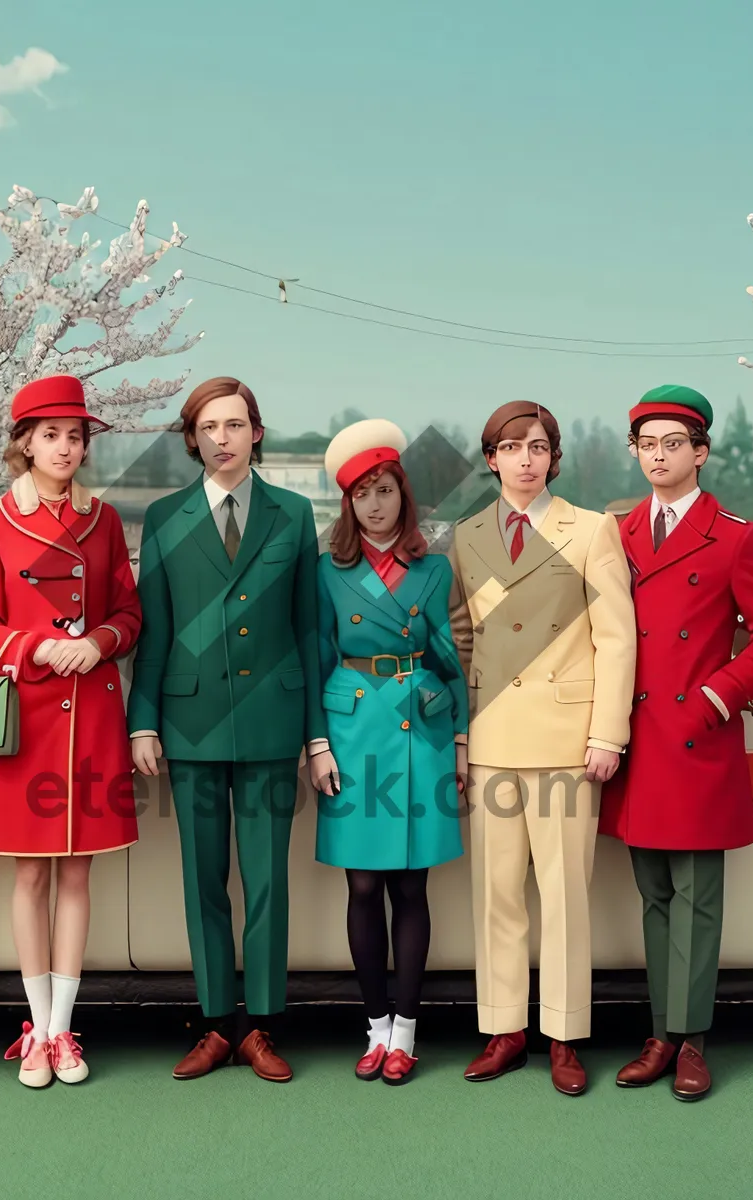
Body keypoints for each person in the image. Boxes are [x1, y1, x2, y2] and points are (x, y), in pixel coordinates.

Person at [600, 384, 753, 1101]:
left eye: (673, 444)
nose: (659, 456)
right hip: (634, 741)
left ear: (701, 451)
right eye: (647, 445)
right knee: (652, 895)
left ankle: (691, 1041)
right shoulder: (617, 534)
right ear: (636, 452)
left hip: (696, 737)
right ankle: (659, 1033)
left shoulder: (736, 535)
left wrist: (718, 696)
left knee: (697, 898)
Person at [128, 376, 330, 1083]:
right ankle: (217, 1023)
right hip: (188, 726)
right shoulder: (164, 517)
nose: (222, 437)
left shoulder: (294, 514)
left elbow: (308, 628)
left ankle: (264, 1028)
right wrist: (143, 723)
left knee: (269, 880)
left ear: (256, 432)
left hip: (275, 725)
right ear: (193, 437)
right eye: (210, 426)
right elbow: (152, 628)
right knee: (201, 879)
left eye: (235, 424)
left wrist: (316, 736)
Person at [0, 374, 142, 1089]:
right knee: (30, 872)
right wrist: (34, 647)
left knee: (79, 872)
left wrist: (98, 641)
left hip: (91, 714)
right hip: (25, 719)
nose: (66, 447)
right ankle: (36, 1029)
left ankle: (63, 1031)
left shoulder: (107, 519)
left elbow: (129, 611)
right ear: (24, 442)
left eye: (76, 435)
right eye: (51, 434)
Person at [448, 400, 636, 1096]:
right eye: (511, 446)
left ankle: (563, 1035)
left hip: (566, 741)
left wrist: (606, 734)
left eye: (538, 446)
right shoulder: (467, 537)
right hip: (495, 739)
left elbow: (618, 638)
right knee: (495, 894)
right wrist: (464, 737)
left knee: (563, 898)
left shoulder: (590, 530)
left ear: (553, 458)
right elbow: (463, 638)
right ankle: (503, 1029)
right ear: (491, 457)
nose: (526, 458)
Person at [313, 419, 467, 1085]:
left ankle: (406, 1032)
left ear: (403, 493)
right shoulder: (325, 570)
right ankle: (373, 1028)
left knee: (411, 884)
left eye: (384, 489)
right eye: (361, 495)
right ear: (347, 505)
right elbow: (316, 656)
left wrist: (458, 735)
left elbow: (453, 657)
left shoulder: (433, 569)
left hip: (420, 729)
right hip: (350, 730)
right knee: (362, 883)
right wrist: (317, 741)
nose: (375, 504)